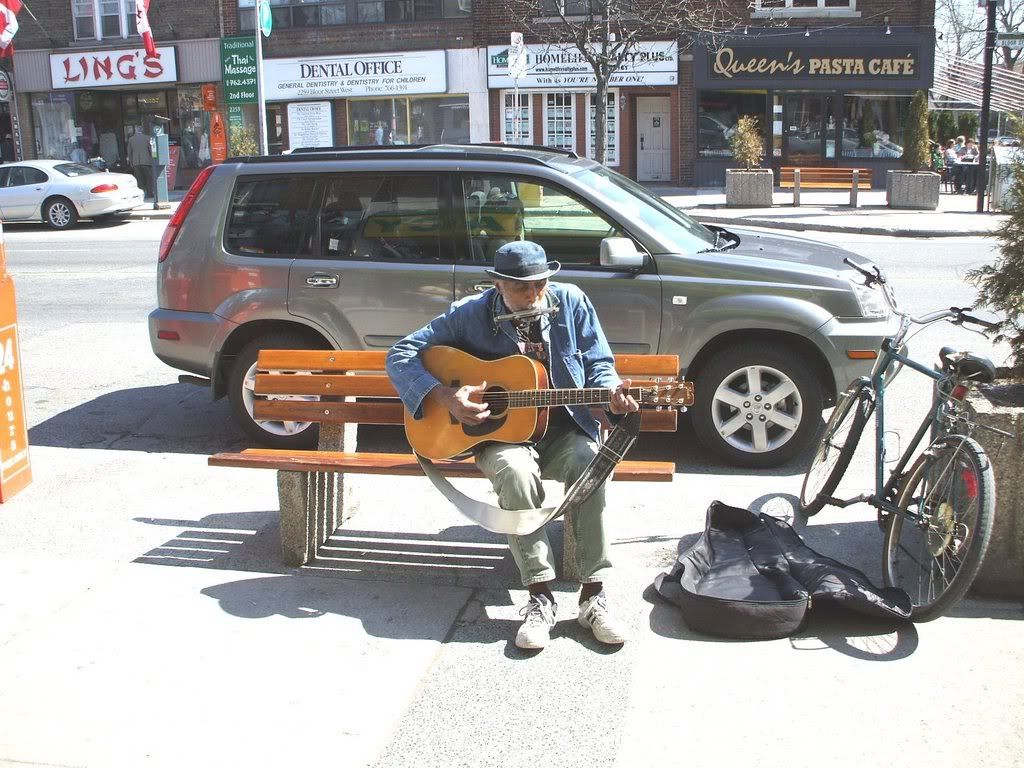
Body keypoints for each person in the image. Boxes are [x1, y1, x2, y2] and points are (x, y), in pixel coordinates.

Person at [386, 241, 640, 651]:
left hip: (565, 427)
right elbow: (401, 354)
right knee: (516, 472)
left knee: (590, 462)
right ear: (497, 283)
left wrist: (611, 392)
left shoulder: (571, 302)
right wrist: (447, 398)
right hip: (500, 436)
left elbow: (598, 362)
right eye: (522, 286)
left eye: (541, 283)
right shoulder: (471, 314)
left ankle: (593, 596)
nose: (534, 293)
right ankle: (540, 597)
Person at [127, 125, 152, 198]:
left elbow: (129, 152)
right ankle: (149, 193)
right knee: (148, 178)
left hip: (136, 162)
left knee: (139, 179)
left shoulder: (131, 139)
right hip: (146, 161)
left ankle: (142, 194)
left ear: (136, 130)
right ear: (142, 130)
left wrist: (131, 162)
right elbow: (151, 150)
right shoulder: (147, 138)